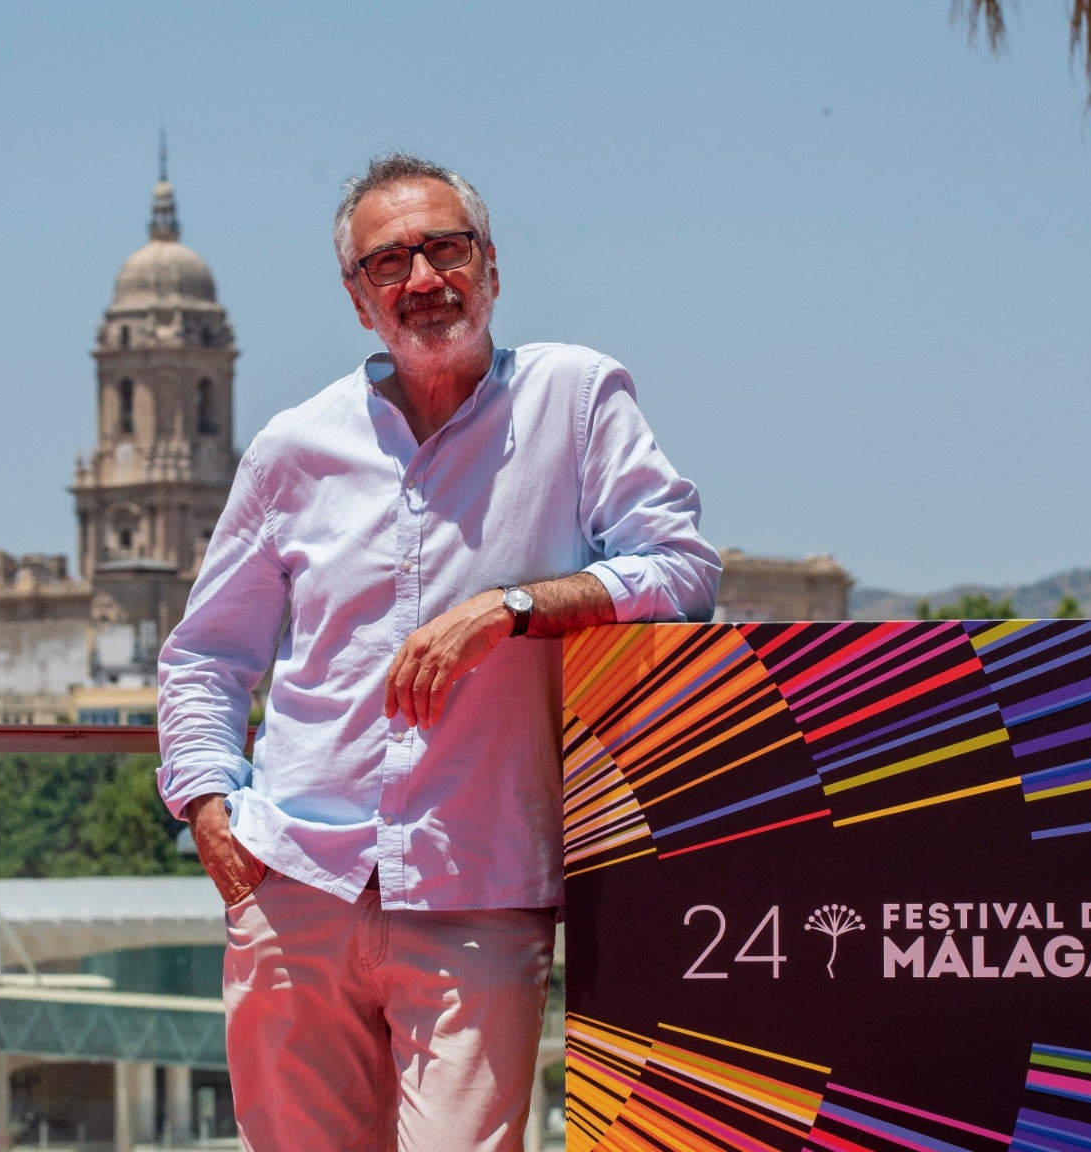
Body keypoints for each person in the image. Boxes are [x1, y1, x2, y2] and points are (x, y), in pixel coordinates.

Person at [156, 152, 720, 1151]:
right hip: (293, 879)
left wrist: (512, 608)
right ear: (357, 298)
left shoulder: (575, 402)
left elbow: (680, 569)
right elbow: (205, 655)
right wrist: (210, 813)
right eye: (389, 263)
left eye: (445, 249)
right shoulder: (293, 447)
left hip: (479, 886)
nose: (423, 280)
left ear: (491, 266)